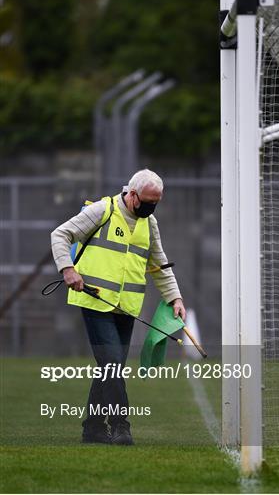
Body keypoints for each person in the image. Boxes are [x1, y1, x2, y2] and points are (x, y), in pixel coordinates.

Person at [50, 169, 186, 445]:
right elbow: (60, 234)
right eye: (148, 201)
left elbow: (158, 264)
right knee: (112, 364)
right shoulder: (103, 210)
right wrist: (67, 269)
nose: (152, 207)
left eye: (156, 202)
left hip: (126, 307)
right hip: (95, 300)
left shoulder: (151, 224)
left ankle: (93, 429)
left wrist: (176, 299)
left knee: (109, 368)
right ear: (132, 194)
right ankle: (121, 425)